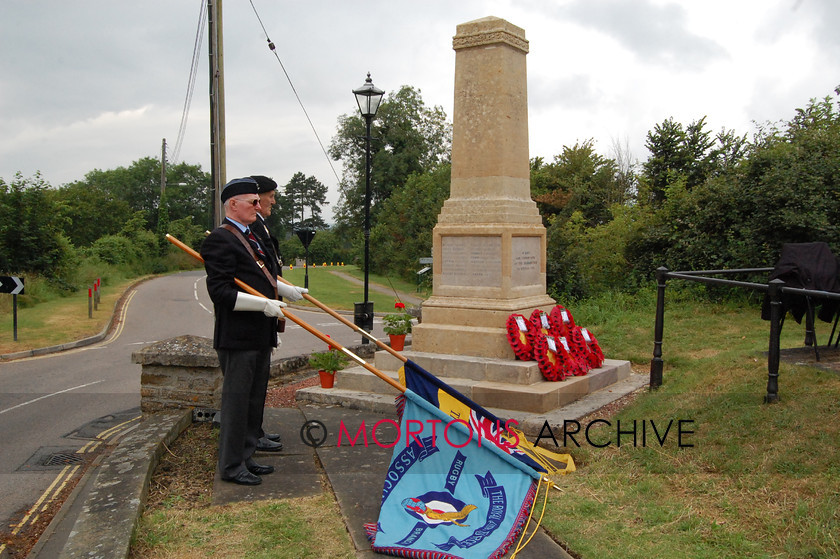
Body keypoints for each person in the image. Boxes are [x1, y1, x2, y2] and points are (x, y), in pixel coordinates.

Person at [201, 177, 307, 486]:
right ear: (233, 204)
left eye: (259, 202)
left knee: (252, 399)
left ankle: (246, 456)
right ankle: (232, 465)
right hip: (238, 336)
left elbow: (263, 274)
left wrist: (284, 290)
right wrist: (262, 305)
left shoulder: (250, 236)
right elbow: (220, 291)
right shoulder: (221, 238)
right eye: (253, 202)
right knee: (236, 404)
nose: (259, 206)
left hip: (260, 334)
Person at [249, 174, 287, 452]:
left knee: (260, 379)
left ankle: (256, 430)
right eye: (270, 195)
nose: (273, 200)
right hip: (255, 314)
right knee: (252, 382)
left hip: (267, 309)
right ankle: (252, 434)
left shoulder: (260, 226)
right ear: (257, 197)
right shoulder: (251, 230)